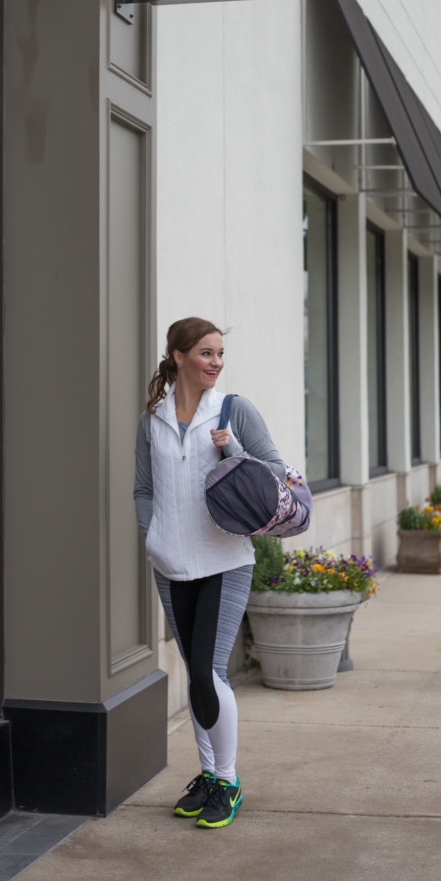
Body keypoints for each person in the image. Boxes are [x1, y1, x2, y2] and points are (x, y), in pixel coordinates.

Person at [133, 317, 285, 828]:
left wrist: (231, 451)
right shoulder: (151, 417)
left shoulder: (234, 409)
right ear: (178, 356)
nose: (216, 362)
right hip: (171, 562)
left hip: (224, 559)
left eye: (220, 353)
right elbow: (143, 488)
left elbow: (275, 474)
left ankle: (229, 780)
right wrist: (151, 534)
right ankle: (209, 774)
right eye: (206, 352)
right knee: (200, 676)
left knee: (207, 672)